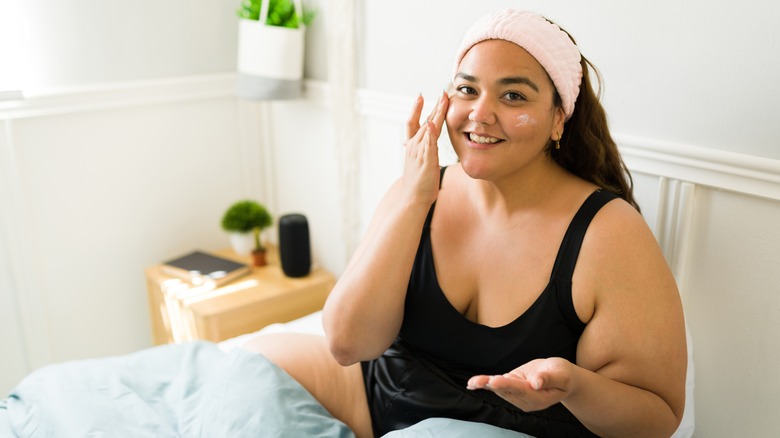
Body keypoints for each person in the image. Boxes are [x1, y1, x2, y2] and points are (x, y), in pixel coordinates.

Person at [243, 8, 687, 438]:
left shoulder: (608, 233)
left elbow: (658, 418)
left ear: (558, 120)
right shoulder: (418, 190)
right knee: (252, 367)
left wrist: (574, 386)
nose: (480, 113)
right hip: (382, 399)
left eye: (513, 95)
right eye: (467, 90)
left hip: (511, 429)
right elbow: (348, 345)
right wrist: (413, 201)